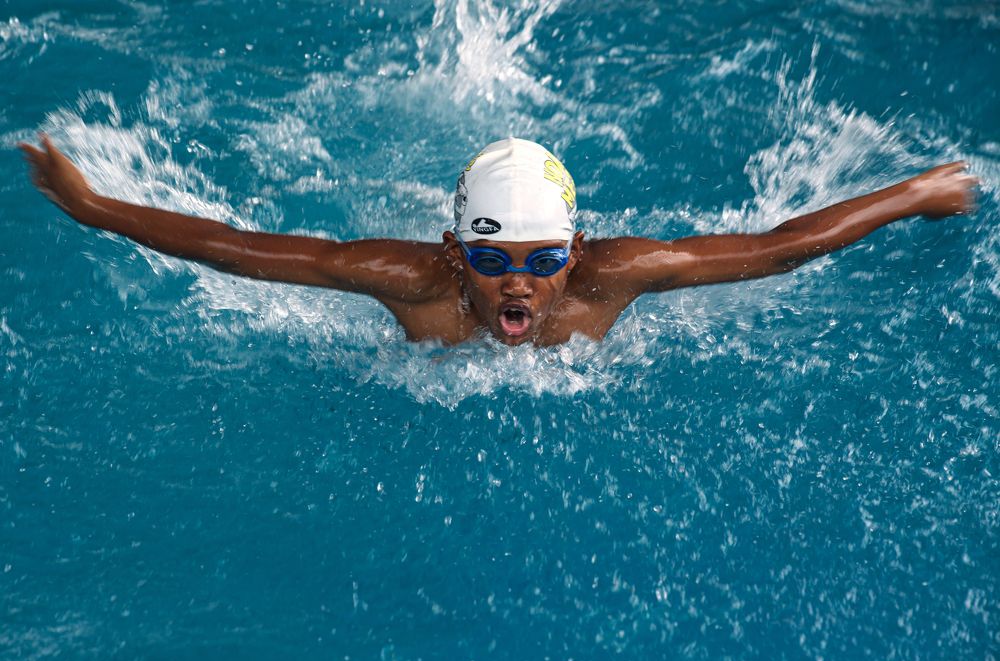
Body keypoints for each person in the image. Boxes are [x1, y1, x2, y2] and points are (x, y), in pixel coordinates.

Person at [20, 136, 978, 346]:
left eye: (541, 262)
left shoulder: (614, 279)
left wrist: (912, 195)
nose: (517, 289)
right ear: (453, 249)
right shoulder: (416, 283)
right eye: (491, 260)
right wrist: (96, 206)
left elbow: (777, 247)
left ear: (577, 249)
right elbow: (242, 248)